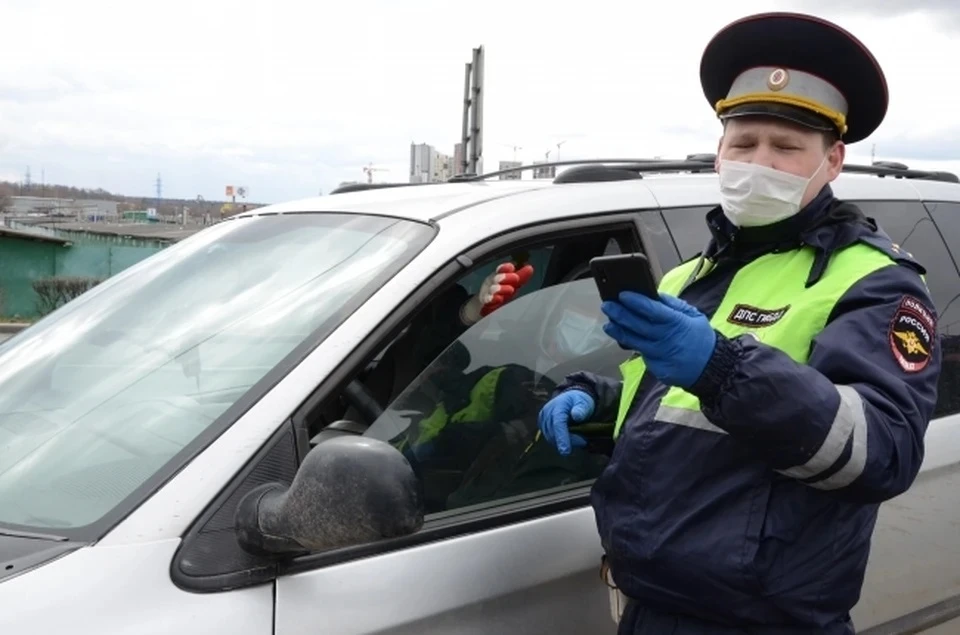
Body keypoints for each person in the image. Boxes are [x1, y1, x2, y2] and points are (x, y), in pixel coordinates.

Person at [537, 11, 941, 635]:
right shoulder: (689, 275)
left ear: (831, 161)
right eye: (744, 142)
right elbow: (672, 404)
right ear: (719, 151)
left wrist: (721, 367)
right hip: (651, 605)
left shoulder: (874, 281)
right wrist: (596, 400)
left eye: (786, 148)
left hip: (762, 620)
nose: (760, 161)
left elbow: (881, 450)